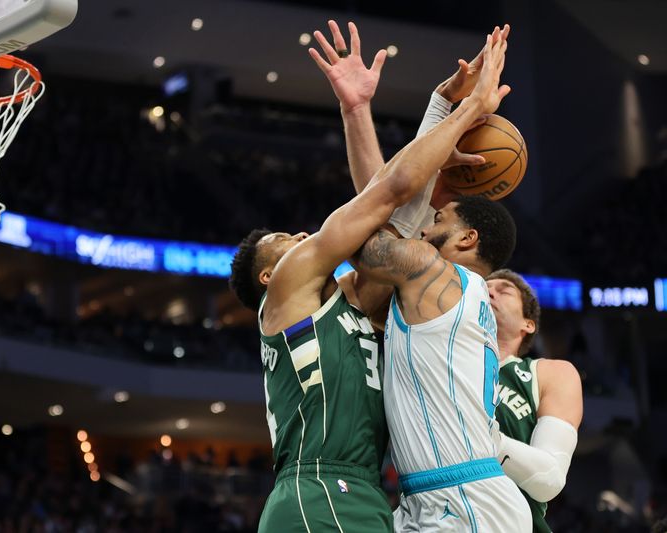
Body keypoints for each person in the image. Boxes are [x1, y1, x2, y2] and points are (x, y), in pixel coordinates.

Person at [229, 22, 510, 533]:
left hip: (365, 494)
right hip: (317, 489)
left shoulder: (352, 302)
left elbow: (394, 223)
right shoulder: (292, 288)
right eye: (284, 242)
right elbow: (393, 190)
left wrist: (370, 110)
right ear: (270, 276)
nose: (298, 235)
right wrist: (468, 109)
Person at [313, 21, 532, 531]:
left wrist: (461, 112)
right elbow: (383, 204)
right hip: (435, 497)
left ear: (466, 240)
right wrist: (362, 110)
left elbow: (372, 223)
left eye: (440, 218)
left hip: (467, 500)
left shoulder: (438, 279)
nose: (428, 219)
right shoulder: (433, 286)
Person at [487, 269, 583, 533]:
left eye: (503, 290)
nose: (489, 292)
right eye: (483, 288)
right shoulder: (447, 365)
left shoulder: (549, 373)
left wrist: (481, 439)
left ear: (528, 324)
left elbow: (548, 479)